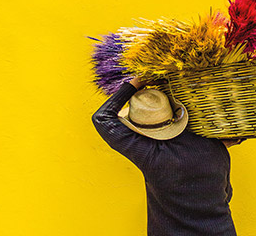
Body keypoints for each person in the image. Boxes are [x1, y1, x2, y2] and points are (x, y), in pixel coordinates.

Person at [92, 76, 244, 236]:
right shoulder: (215, 147)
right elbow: (227, 194)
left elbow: (102, 118)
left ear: (140, 130)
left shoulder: (150, 155)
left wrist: (136, 83)